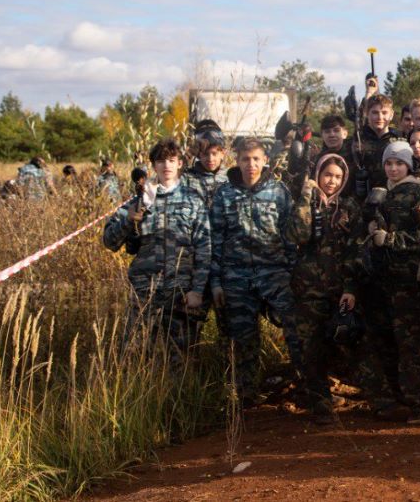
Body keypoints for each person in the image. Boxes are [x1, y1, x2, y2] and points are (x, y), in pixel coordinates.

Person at [209, 137, 302, 406]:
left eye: (256, 159)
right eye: (245, 159)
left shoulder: (278, 192)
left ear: (265, 161)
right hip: (236, 276)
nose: (251, 164)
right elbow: (216, 240)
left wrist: (293, 274)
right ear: (236, 161)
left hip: (274, 273)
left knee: (295, 328)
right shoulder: (224, 195)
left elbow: (290, 236)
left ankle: (306, 384)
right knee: (243, 338)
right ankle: (247, 396)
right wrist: (216, 283)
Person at [102, 138, 210, 360]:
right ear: (153, 165)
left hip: (180, 293)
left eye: (172, 160)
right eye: (161, 161)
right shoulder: (141, 199)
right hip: (145, 292)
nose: (167, 166)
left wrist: (197, 290)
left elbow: (204, 247)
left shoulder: (193, 200)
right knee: (134, 356)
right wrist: (128, 221)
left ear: (180, 163)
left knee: (181, 360)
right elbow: (109, 242)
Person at [359, 140, 420, 423]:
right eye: (389, 163)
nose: (393, 168)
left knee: (410, 343)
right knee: (387, 340)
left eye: (399, 163)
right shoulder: (382, 194)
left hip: (409, 281)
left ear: (408, 165)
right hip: (384, 280)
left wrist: (390, 239)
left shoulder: (417, 193)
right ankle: (400, 396)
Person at [288, 153, 366, 424]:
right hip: (308, 290)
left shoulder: (350, 208)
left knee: (346, 343)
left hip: (340, 288)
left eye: (337, 177)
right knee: (311, 348)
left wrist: (351, 287)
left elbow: (357, 250)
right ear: (318, 176)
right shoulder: (307, 204)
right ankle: (320, 402)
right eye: (326, 175)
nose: (331, 181)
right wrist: (305, 196)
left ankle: (369, 392)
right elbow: (297, 234)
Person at [344, 93, 400, 196]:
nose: (380, 117)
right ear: (366, 113)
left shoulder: (400, 141)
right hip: (361, 198)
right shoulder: (356, 140)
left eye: (384, 112)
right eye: (375, 112)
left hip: (392, 198)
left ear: (391, 114)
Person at [182, 121, 229, 207]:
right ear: (198, 154)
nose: (210, 159)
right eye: (205, 154)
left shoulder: (230, 178)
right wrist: (189, 155)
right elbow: (166, 178)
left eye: (214, 154)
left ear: (222, 153)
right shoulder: (188, 177)